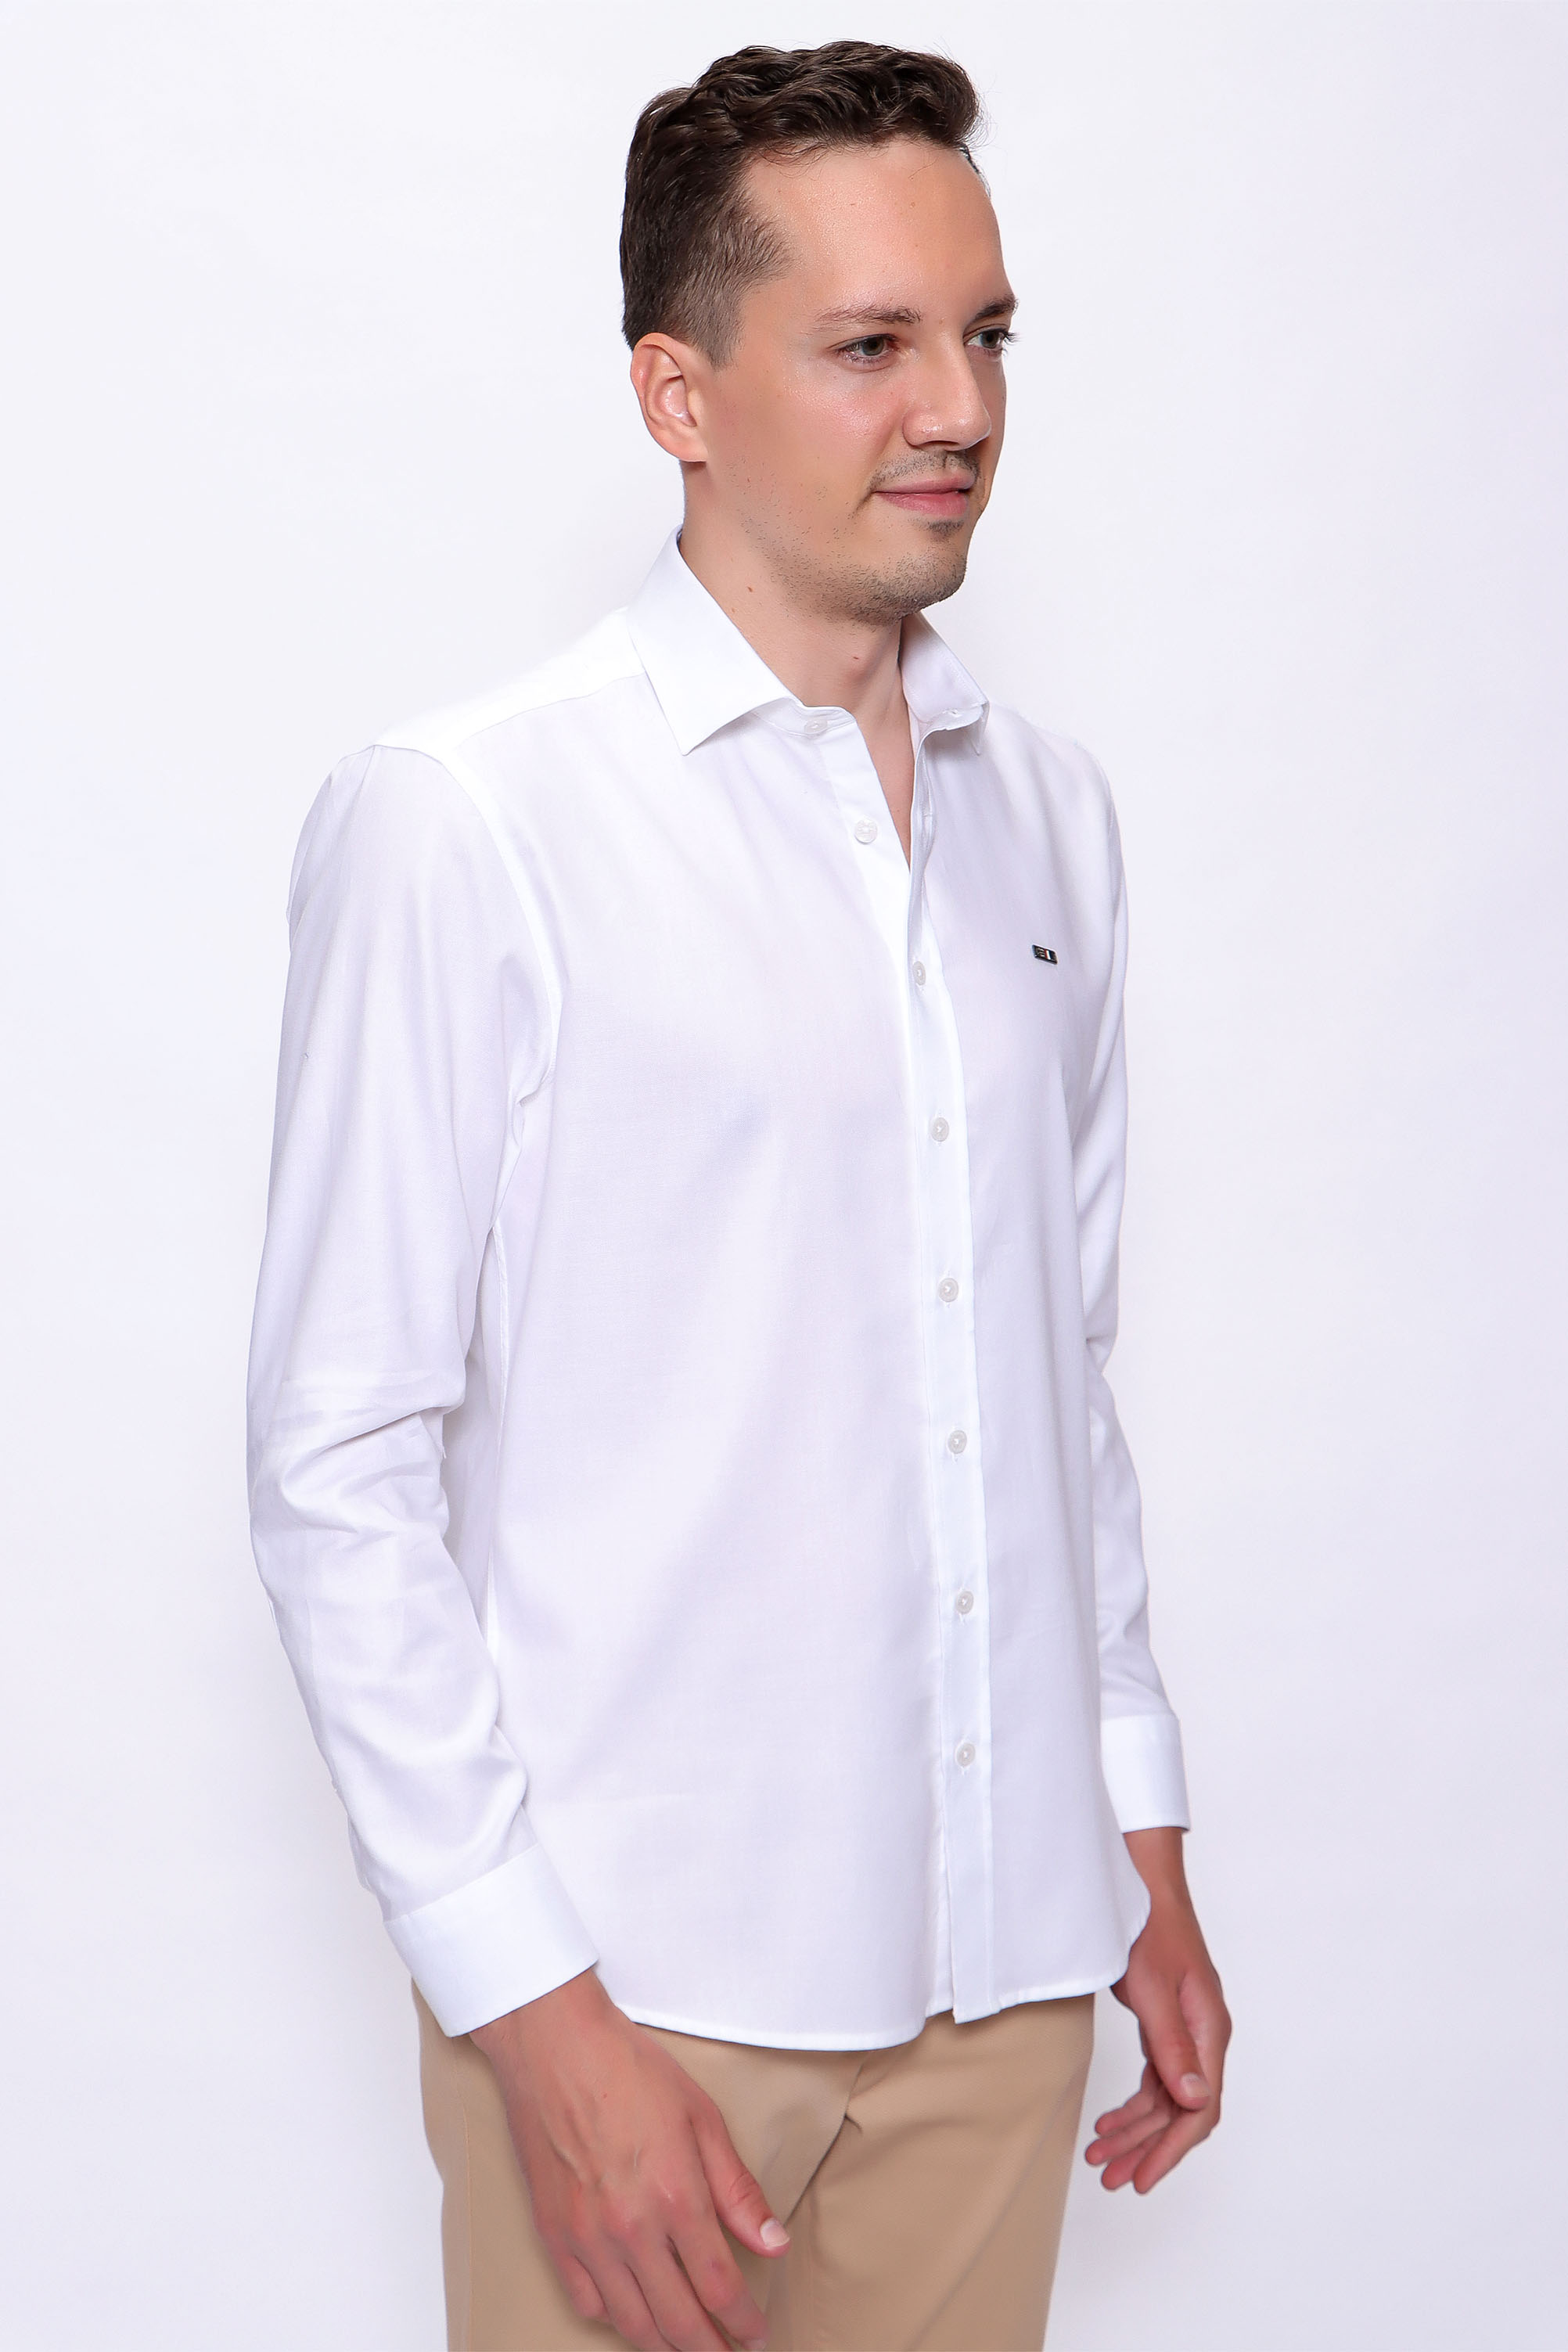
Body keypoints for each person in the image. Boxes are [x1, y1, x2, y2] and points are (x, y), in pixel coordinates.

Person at [247, 39, 1229, 2352]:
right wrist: (535, 2020)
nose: (959, 409)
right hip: (642, 2000)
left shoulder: (1051, 817)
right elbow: (335, 1467)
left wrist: (1138, 1837)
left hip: (1007, 1976)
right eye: (872, 342)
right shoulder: (465, 821)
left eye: (985, 333)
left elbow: (1052, 1377)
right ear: (675, 393)